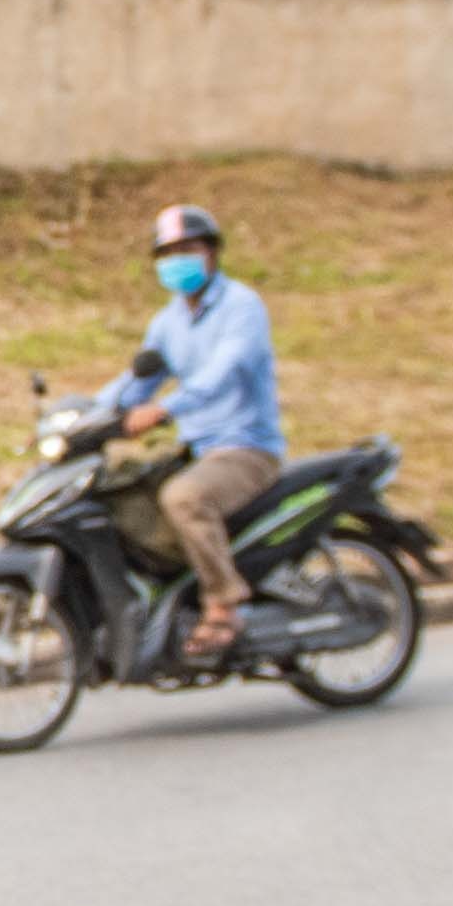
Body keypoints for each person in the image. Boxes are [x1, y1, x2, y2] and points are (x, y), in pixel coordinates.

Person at [98, 201, 285, 655]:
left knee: (184, 497)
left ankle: (223, 603)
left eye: (188, 248)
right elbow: (136, 381)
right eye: (168, 252)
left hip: (247, 449)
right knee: (121, 499)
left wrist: (166, 410)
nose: (177, 259)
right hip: (199, 451)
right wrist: (82, 419)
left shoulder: (242, 307)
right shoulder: (168, 323)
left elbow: (221, 374)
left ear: (212, 252)